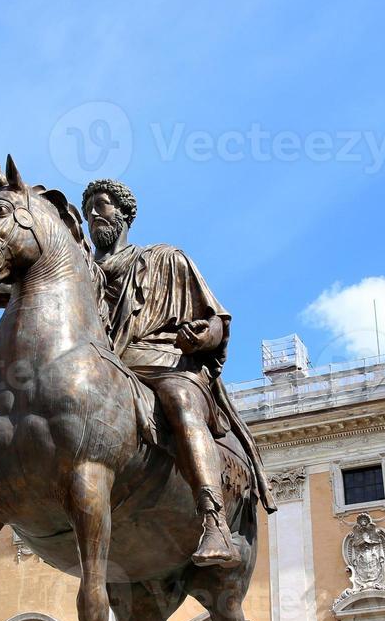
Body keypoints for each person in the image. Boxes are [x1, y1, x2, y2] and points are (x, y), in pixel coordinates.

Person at [80, 178, 274, 566]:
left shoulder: (167, 259)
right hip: (103, 366)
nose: (93, 215)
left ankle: (213, 519)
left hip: (163, 362)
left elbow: (215, 319)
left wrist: (202, 336)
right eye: (88, 210)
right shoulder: (80, 272)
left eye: (102, 205)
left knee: (181, 401)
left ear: (124, 213)